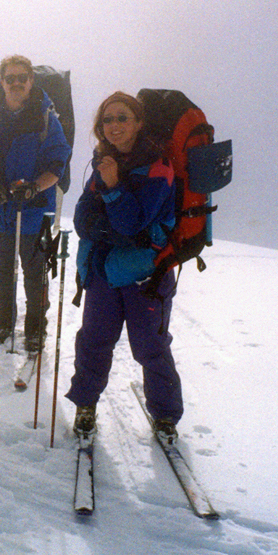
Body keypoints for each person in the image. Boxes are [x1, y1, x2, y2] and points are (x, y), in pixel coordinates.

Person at [65, 91, 183, 442]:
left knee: (151, 346)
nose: (114, 125)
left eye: (122, 118)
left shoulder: (158, 167)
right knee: (94, 341)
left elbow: (132, 223)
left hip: (146, 275)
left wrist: (113, 187)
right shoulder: (103, 160)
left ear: (139, 122)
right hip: (104, 271)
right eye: (107, 119)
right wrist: (105, 222)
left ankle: (165, 416)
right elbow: (83, 216)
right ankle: (85, 404)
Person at [0, 55, 71, 352]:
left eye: (22, 77)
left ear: (31, 80)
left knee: (35, 271)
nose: (16, 83)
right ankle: (3, 322)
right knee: (0, 268)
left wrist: (35, 188)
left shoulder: (46, 118)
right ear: (2, 82)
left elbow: (58, 161)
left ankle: (36, 329)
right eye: (10, 78)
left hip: (33, 211)